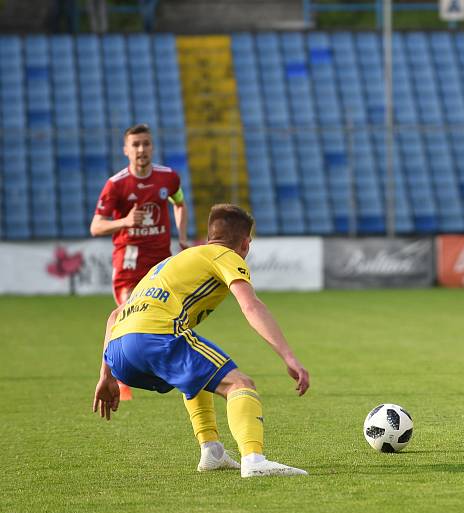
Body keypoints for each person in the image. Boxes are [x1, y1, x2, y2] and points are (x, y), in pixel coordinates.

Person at [92, 204, 310, 477]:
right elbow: (251, 306)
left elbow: (114, 315)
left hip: (120, 352)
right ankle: (254, 460)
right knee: (240, 384)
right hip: (155, 336)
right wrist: (289, 357)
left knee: (194, 375)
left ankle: (212, 451)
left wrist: (107, 375)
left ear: (210, 236)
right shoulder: (225, 255)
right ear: (246, 243)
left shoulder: (170, 262)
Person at [90, 124, 190, 399]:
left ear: (152, 146)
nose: (141, 149)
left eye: (145, 143)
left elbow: (179, 202)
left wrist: (181, 236)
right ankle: (116, 378)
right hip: (129, 266)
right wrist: (124, 221)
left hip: (161, 265)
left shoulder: (168, 178)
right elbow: (96, 226)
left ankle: (170, 372)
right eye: (135, 145)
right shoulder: (117, 184)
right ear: (126, 150)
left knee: (169, 317)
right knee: (126, 317)